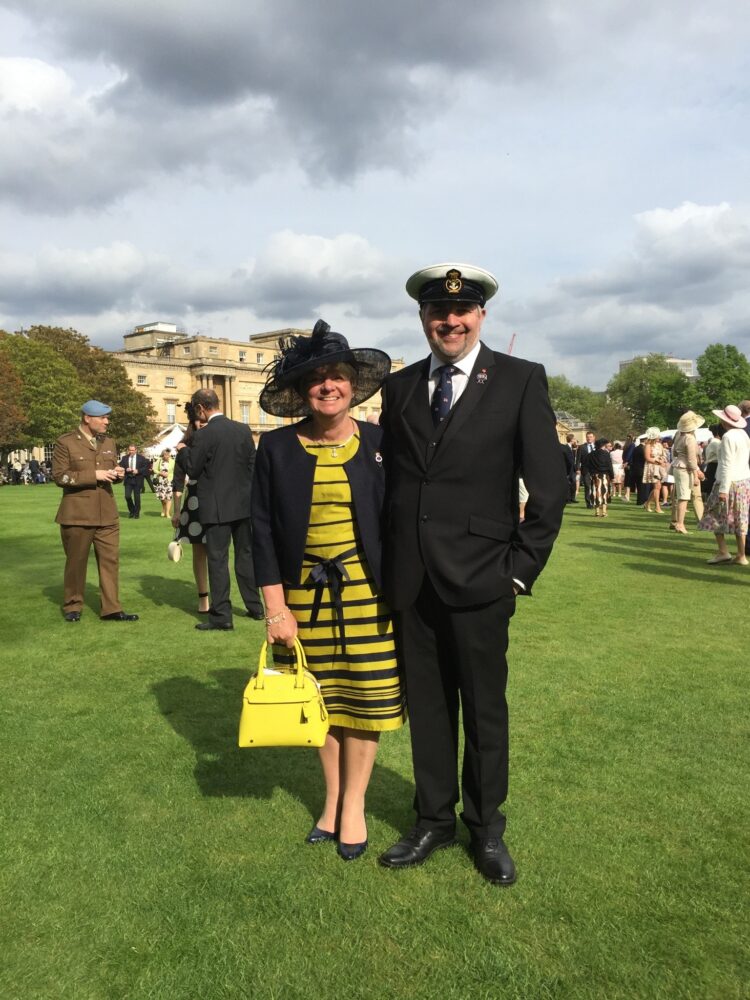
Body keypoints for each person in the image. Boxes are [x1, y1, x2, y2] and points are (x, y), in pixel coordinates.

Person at [378, 262, 567, 886]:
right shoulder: (401, 386)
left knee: (485, 712)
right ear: (423, 318)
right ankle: (433, 819)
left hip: (485, 578)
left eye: (460, 312)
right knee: (428, 710)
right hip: (413, 582)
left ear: (480, 315)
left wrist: (519, 571)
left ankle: (486, 830)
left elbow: (548, 488)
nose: (449, 321)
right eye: (437, 312)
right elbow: (399, 486)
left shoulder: (519, 380)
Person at [252, 320, 405, 861]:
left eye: (336, 376)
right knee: (321, 702)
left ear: (352, 383)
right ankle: (332, 799)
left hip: (371, 596)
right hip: (302, 600)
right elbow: (261, 532)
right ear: (301, 391)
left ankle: (355, 805)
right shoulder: (274, 448)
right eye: (315, 379)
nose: (327, 386)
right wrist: (276, 610)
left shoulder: (383, 445)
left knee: (364, 700)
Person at [175, 388, 263, 630]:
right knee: (245, 557)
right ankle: (255, 607)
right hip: (243, 504)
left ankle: (222, 615)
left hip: (215, 507)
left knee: (217, 560)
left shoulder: (205, 435)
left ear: (201, 408)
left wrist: (183, 451)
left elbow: (192, 469)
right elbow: (252, 466)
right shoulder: (242, 430)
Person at [51, 400, 139, 622]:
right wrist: (95, 475)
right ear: (87, 418)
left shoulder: (109, 441)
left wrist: (117, 474)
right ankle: (73, 606)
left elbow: (109, 474)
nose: (107, 422)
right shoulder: (65, 443)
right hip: (77, 514)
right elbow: (60, 476)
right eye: (103, 417)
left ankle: (111, 608)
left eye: (107, 417)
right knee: (76, 562)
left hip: (107, 514)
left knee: (110, 562)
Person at [698, 404, 750, 565]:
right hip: (743, 481)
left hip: (728, 481)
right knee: (740, 519)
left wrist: (723, 489)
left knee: (712, 515)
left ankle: (723, 551)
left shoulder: (728, 437)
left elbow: (727, 464)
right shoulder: (743, 434)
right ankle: (741, 554)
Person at [171, 405, 210, 614]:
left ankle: (220, 596)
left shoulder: (217, 441)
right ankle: (203, 598)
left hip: (218, 501)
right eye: (197, 419)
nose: (201, 422)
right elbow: (177, 482)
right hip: (194, 503)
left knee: (217, 553)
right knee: (199, 552)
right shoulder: (184, 447)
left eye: (204, 418)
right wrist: (176, 511)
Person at [669, 412, 705, 534]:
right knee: (683, 497)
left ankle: (678, 522)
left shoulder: (679, 435)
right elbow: (691, 459)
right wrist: (696, 475)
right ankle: (680, 524)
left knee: (681, 496)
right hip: (685, 468)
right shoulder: (689, 438)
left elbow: (674, 453)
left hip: (679, 466)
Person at [119, 444, 149, 518]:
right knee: (127, 496)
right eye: (130, 450)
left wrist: (138, 470)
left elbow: (145, 467)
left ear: (136, 450)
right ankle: (132, 510)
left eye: (132, 450)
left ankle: (136, 513)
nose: (131, 451)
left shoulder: (141, 458)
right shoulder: (124, 458)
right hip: (128, 479)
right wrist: (126, 469)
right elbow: (120, 466)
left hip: (137, 479)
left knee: (137, 497)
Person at [642, 428, 667, 512]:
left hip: (659, 467)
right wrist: (657, 461)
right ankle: (657, 506)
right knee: (657, 486)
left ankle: (648, 503)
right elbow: (647, 458)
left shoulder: (659, 445)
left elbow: (663, 455)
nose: (659, 437)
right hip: (652, 467)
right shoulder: (648, 445)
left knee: (658, 486)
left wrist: (662, 460)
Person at [588, 438, 615, 517]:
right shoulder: (606, 454)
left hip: (595, 476)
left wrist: (591, 473)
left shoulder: (591, 454)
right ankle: (604, 512)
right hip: (604, 475)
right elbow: (610, 466)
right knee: (604, 493)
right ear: (603, 445)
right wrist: (612, 476)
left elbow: (588, 466)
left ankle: (596, 512)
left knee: (596, 492)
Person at [577, 431, 596, 507]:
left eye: (591, 437)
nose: (589, 438)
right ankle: (589, 503)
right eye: (588, 437)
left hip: (595, 470)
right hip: (586, 470)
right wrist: (577, 469)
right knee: (587, 486)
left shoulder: (596, 446)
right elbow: (578, 459)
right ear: (586, 437)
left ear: (594, 437)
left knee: (594, 486)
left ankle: (594, 501)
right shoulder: (581, 447)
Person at [154, 448, 175, 518]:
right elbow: (154, 469)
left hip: (169, 481)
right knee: (162, 497)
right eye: (165, 455)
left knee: (169, 497)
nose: (167, 456)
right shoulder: (159, 460)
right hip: (160, 481)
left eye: (168, 455)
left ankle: (167, 513)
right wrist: (160, 473)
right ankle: (164, 508)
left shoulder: (173, 461)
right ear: (163, 455)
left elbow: (175, 471)